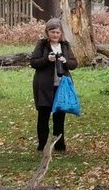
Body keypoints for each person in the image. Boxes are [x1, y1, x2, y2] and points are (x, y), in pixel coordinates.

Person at [30, 17, 78, 152]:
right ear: (47, 32)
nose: (55, 35)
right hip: (44, 87)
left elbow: (74, 64)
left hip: (61, 86)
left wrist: (65, 61)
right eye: (52, 32)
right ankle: (42, 145)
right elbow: (33, 62)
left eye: (57, 32)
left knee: (59, 117)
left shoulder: (65, 45)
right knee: (43, 117)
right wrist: (47, 59)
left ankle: (59, 145)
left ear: (61, 33)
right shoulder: (42, 45)